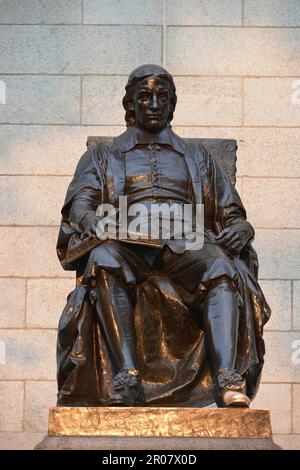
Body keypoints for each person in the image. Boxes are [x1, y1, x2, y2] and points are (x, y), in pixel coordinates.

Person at [56, 64, 271, 408]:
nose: (154, 104)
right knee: (102, 258)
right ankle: (127, 377)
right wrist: (91, 219)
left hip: (187, 243)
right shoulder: (103, 155)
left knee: (220, 265)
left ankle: (228, 379)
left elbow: (232, 213)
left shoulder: (199, 157)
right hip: (127, 244)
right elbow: (80, 204)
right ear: (131, 105)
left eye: (162, 97)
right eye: (144, 96)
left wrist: (242, 227)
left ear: (172, 104)